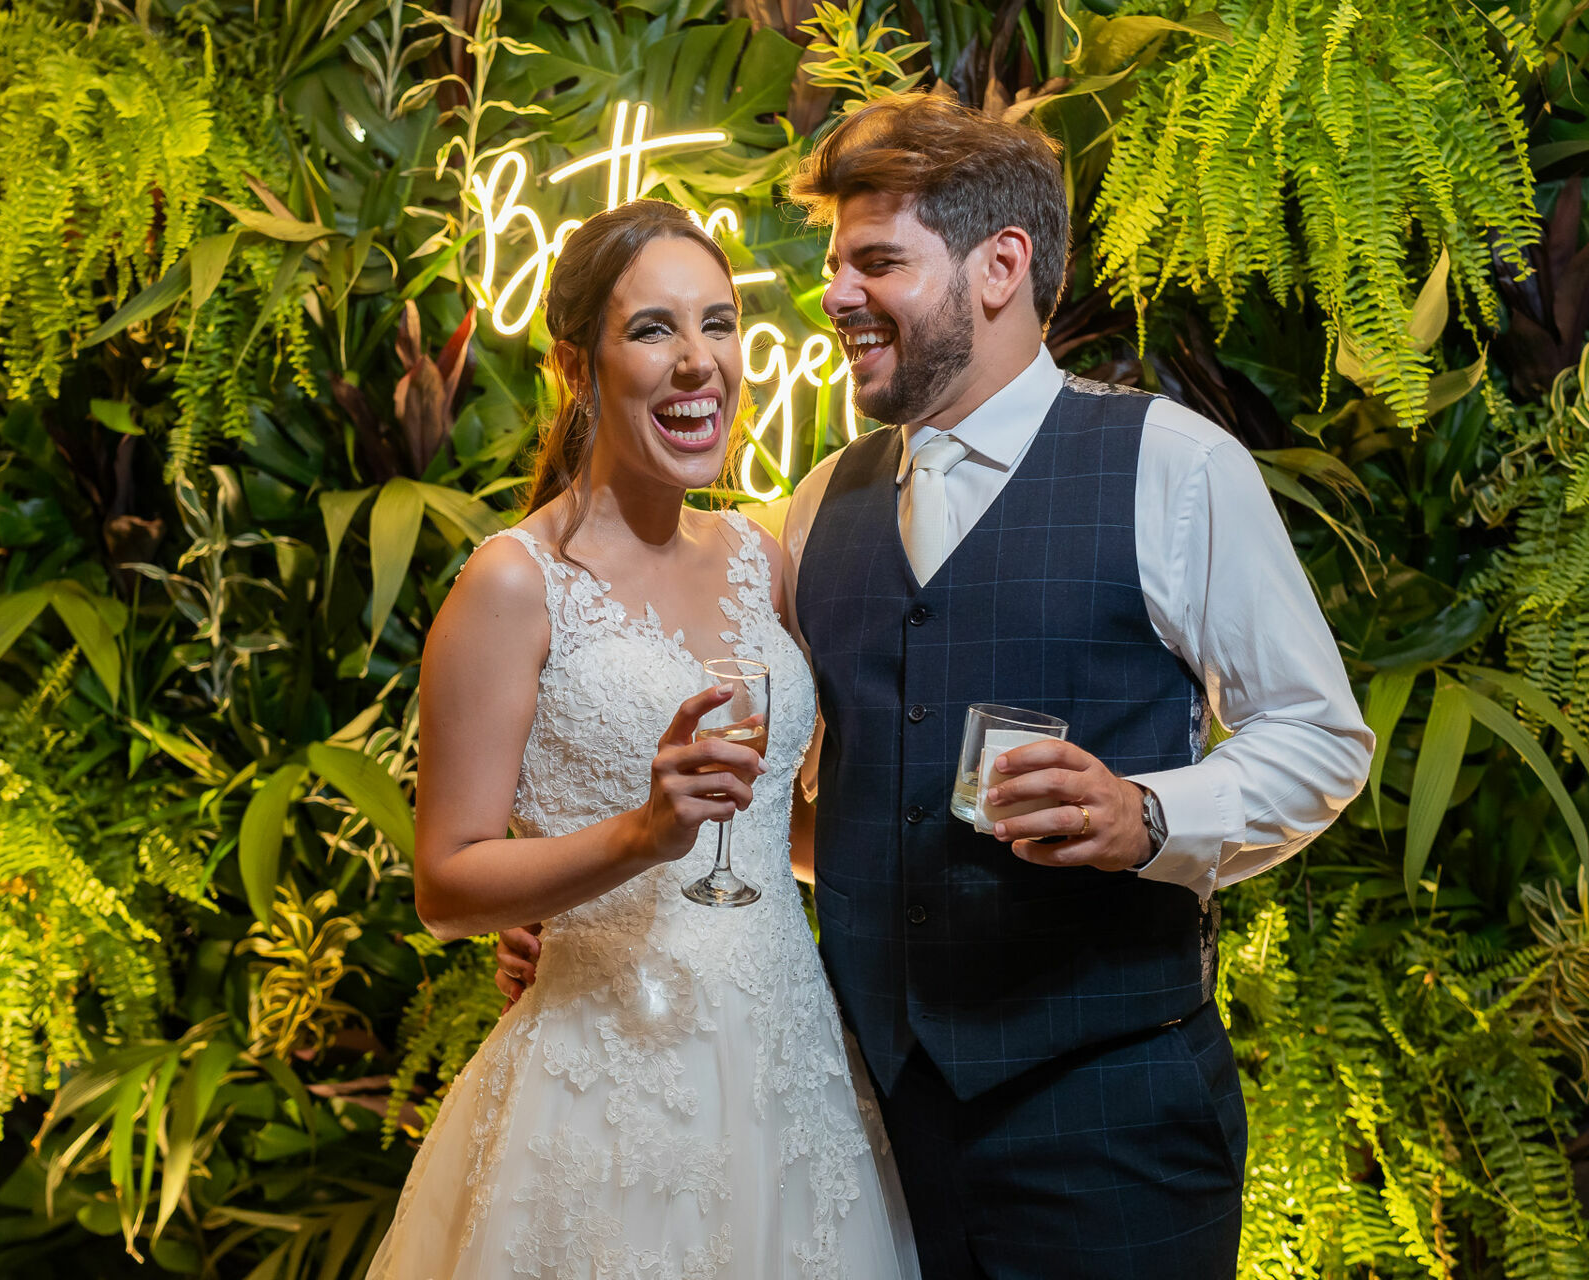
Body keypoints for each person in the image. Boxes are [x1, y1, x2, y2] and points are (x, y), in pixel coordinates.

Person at [500, 94, 1374, 1277]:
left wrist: (1151, 815)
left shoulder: (1172, 466)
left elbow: (1321, 737)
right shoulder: (814, 510)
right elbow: (801, 800)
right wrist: (603, 909)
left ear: (1000, 265)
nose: (836, 296)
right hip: (871, 1131)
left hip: (1110, 1130)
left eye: (876, 262)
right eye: (834, 265)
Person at [366, 198, 918, 1279]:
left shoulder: (766, 558)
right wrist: (638, 836)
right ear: (577, 368)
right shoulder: (514, 584)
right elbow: (446, 881)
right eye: (654, 329)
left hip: (788, 1071)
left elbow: (784, 833)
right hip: (606, 1083)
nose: (697, 362)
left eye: (718, 324)